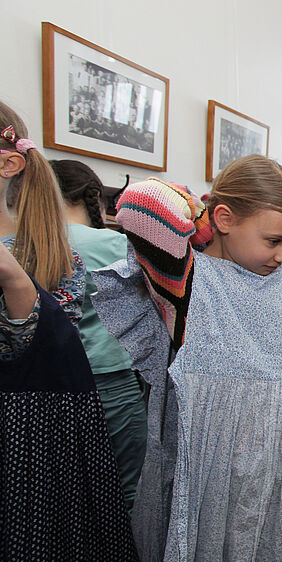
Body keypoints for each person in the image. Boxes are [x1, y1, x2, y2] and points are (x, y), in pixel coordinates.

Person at [92, 156, 282, 562]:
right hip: (220, 459)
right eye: (273, 240)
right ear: (223, 219)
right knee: (221, 547)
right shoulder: (184, 279)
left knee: (280, 544)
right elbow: (140, 205)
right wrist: (207, 216)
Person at [0, 102, 146, 562]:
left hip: (42, 402)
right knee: (111, 503)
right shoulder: (108, 245)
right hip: (104, 385)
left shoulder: (21, 248)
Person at [51, 159, 148, 512]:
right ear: (92, 196)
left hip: (44, 384)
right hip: (111, 381)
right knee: (124, 489)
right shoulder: (113, 243)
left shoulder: (13, 244)